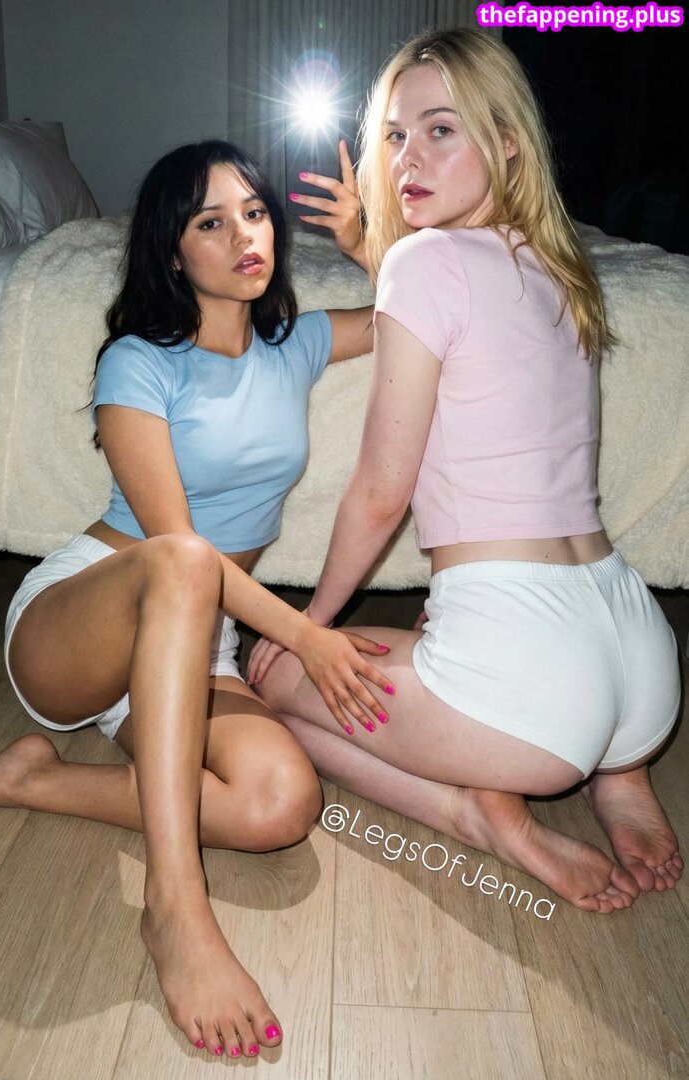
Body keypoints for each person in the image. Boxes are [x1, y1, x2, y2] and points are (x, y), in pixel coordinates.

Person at [0, 140, 392, 1058]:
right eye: (211, 222)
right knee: (185, 557)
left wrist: (367, 247)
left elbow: (423, 316)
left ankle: (31, 782)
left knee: (282, 805)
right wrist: (308, 636)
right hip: (81, 622)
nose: (246, 235)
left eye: (254, 213)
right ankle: (174, 902)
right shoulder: (139, 363)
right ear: (172, 251)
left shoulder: (298, 344)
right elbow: (172, 547)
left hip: (199, 644)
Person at [250, 28, 682, 915]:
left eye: (440, 130)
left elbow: (381, 493)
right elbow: (467, 319)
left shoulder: (422, 264)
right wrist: (371, 249)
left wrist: (308, 628)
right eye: (394, 136)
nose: (407, 158)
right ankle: (621, 773)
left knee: (275, 688)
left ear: (508, 140)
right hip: (639, 648)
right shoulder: (559, 266)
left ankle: (477, 815)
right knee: (435, 663)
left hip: (531, 678)